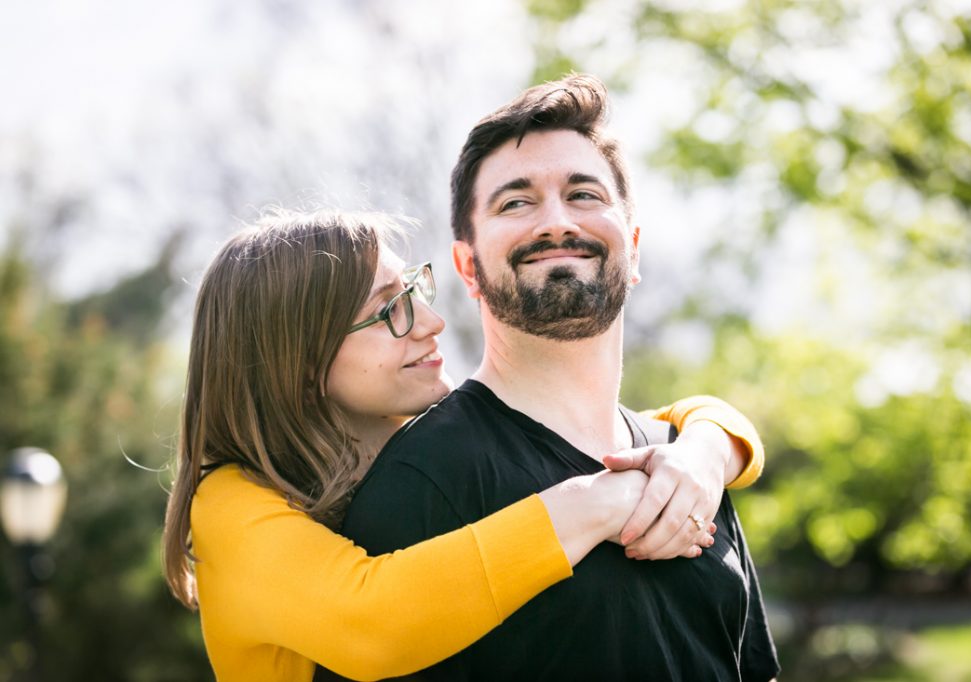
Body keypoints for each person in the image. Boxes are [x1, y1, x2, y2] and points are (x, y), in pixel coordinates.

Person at [162, 209, 768, 681]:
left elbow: (660, 424)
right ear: (295, 361)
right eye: (388, 312)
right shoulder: (230, 504)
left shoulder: (423, 450)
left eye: (414, 292)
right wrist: (595, 504)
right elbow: (374, 622)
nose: (430, 323)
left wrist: (708, 450)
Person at [337, 75, 780, 681]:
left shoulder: (691, 469)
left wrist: (708, 448)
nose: (555, 222)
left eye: (583, 194)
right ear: (467, 266)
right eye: (515, 202)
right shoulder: (423, 481)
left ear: (635, 249)